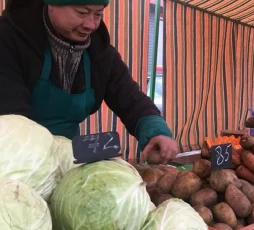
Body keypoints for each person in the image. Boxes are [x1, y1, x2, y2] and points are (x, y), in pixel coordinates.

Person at [0, 0, 178, 163]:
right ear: (52, 4)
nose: (91, 24)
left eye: (98, 14)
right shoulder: (8, 38)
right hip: (16, 158)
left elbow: (129, 97)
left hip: (68, 157)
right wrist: (50, 160)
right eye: (81, 13)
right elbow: (12, 115)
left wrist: (155, 130)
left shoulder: (99, 51)